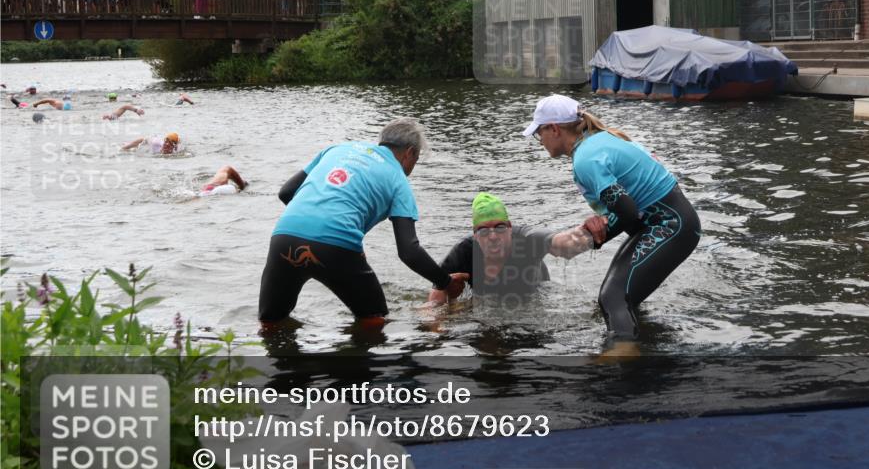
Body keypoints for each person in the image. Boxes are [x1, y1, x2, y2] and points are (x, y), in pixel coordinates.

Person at [523, 94, 701, 341]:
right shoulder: (599, 140)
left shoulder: (585, 159)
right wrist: (595, 232)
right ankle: (646, 349)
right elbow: (629, 211)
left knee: (613, 297)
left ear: (553, 129)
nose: (538, 140)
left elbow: (627, 212)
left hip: (671, 226)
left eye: (538, 133)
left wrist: (592, 237)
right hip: (669, 223)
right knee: (620, 296)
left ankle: (621, 359)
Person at [258, 118, 467, 326]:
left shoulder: (336, 149)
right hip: (337, 245)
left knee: (270, 322)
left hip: (284, 236)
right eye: (416, 159)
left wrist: (311, 225)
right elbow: (409, 251)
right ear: (410, 153)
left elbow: (286, 193)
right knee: (374, 320)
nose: (412, 167)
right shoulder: (398, 178)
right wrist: (445, 282)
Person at [426, 192, 607, 305]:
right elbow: (435, 298)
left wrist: (589, 231)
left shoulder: (527, 240)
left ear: (510, 227)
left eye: (500, 227)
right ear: (474, 234)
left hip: (535, 295)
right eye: (483, 231)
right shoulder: (463, 252)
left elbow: (563, 244)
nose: (493, 236)